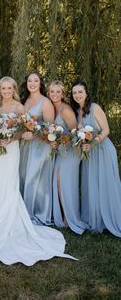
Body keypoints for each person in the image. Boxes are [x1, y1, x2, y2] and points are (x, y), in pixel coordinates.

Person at [0, 77, 75, 265]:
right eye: (3, 88)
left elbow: (26, 128)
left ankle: (10, 218)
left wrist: (12, 138)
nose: (6, 91)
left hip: (11, 149)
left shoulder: (18, 107)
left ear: (14, 89)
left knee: (9, 181)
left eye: (10, 88)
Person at [71, 80, 121, 237]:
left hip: (102, 150)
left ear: (86, 93)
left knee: (105, 183)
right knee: (92, 183)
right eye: (74, 93)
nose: (77, 95)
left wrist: (93, 143)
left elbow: (106, 130)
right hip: (89, 152)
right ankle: (96, 218)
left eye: (80, 92)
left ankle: (111, 218)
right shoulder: (78, 111)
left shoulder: (95, 108)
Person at [48, 81, 86, 234]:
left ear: (63, 94)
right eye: (52, 92)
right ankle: (63, 216)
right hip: (62, 151)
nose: (55, 94)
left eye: (58, 92)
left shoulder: (65, 110)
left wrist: (61, 139)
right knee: (58, 182)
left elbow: (76, 133)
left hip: (71, 152)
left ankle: (69, 218)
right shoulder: (54, 109)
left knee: (63, 182)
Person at [19, 72, 54, 225]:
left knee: (34, 180)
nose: (32, 83)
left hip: (40, 146)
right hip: (25, 145)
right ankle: (22, 211)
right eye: (29, 80)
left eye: (36, 80)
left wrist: (34, 134)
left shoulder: (45, 102)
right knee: (24, 177)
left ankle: (38, 212)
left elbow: (51, 128)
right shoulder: (24, 101)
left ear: (40, 83)